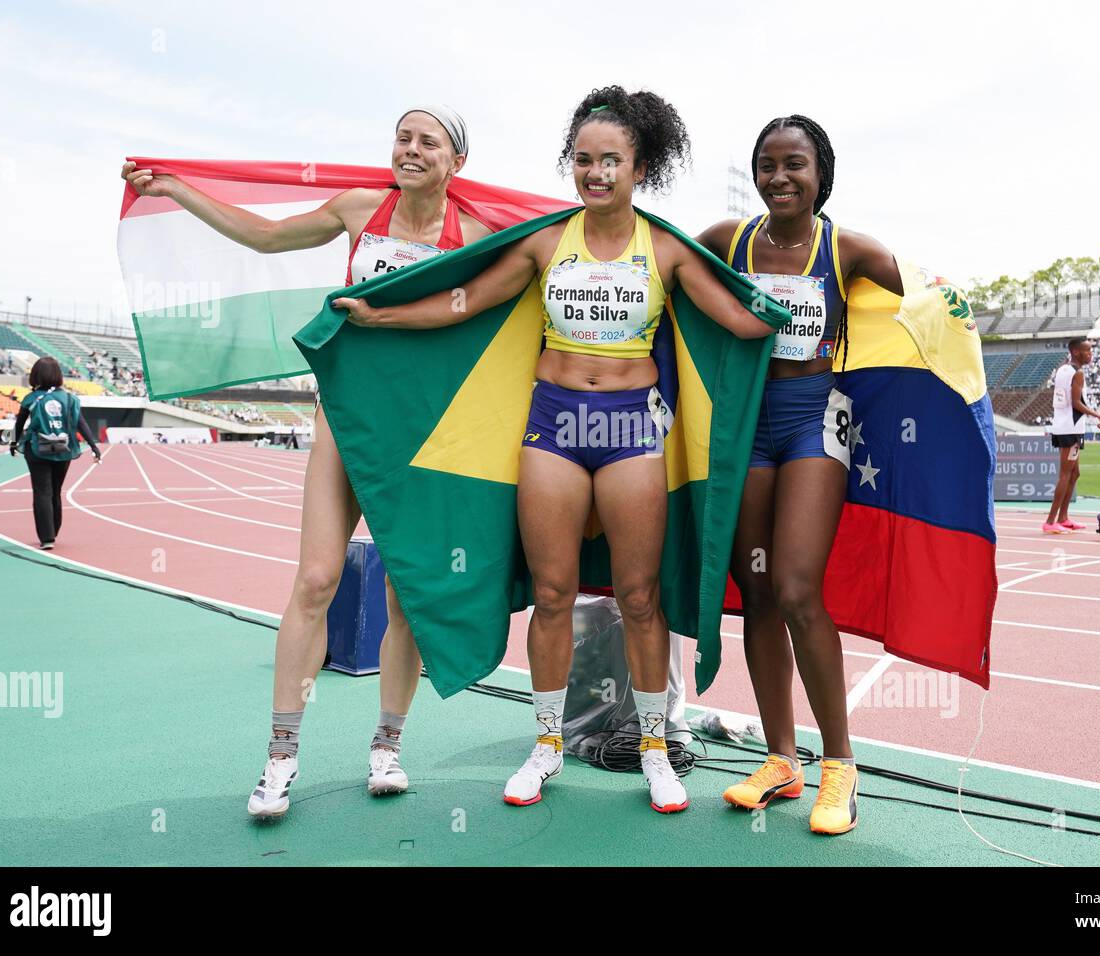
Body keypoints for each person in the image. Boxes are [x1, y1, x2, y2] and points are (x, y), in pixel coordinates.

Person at [338, 86, 776, 813]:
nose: (596, 172)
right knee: (550, 593)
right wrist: (381, 314)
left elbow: (740, 316)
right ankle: (545, 747)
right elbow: (465, 302)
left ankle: (655, 749)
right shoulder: (547, 240)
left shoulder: (664, 247)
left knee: (639, 597)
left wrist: (844, 305)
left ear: (641, 168)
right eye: (583, 159)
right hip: (555, 425)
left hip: (632, 428)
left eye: (612, 161)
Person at [123, 106, 493, 819]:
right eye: (402, 137)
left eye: (427, 142)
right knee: (318, 579)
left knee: (405, 597)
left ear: (456, 161)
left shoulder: (476, 234)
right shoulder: (360, 208)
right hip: (344, 416)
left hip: (421, 433)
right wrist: (176, 189)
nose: (409, 149)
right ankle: (279, 760)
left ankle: (387, 747)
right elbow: (264, 237)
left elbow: (498, 302)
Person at [694, 115, 902, 836]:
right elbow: (675, 275)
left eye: (795, 165)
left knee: (795, 587)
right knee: (755, 589)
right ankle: (782, 759)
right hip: (747, 426)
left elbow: (911, 306)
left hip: (816, 420)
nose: (779, 177)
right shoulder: (730, 241)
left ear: (822, 173)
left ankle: (841, 764)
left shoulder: (851, 250)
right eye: (766, 164)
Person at [12, 358, 102, 549]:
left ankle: (47, 537)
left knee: (42, 491)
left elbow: (19, 424)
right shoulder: (70, 399)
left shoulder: (32, 398)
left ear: (36, 375)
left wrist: (13, 442)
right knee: (55, 491)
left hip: (37, 449)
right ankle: (54, 530)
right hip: (64, 449)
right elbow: (81, 423)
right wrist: (94, 446)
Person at [1043, 339, 1100, 534]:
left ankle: (1064, 517)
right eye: (1088, 351)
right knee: (1065, 474)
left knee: (1074, 473)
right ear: (1076, 352)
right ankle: (1051, 521)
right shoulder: (1077, 373)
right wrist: (1098, 415)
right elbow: (1076, 403)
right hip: (1071, 429)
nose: (1091, 354)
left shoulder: (1063, 370)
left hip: (1064, 426)